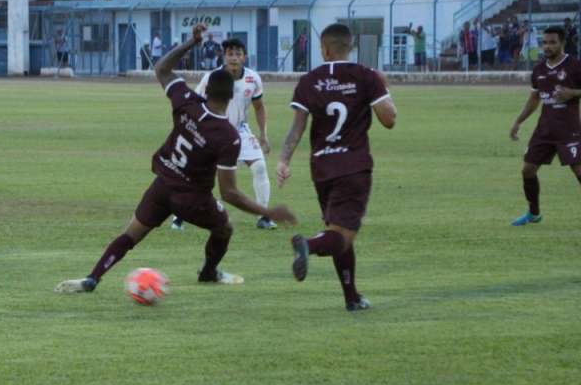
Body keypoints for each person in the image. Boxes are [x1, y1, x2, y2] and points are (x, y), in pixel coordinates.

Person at [54, 24, 296, 295]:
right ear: (230, 96)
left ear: (207, 91)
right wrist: (267, 211)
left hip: (162, 185)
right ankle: (208, 272)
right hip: (193, 198)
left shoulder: (187, 102)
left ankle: (93, 277)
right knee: (224, 228)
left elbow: (161, 68)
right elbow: (229, 193)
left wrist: (191, 43)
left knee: (130, 235)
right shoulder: (228, 136)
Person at [276, 22, 398, 311]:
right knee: (340, 236)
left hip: (321, 168)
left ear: (325, 49)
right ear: (350, 46)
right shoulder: (367, 77)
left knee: (338, 231)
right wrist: (385, 90)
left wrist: (283, 160)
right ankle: (308, 244)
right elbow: (389, 119)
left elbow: (297, 128)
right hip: (353, 166)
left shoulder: (309, 80)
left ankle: (352, 297)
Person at [172, 38, 276, 230]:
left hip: (240, 132)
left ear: (244, 57)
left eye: (238, 54)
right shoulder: (211, 77)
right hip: (211, 132)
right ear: (224, 56)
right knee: (194, 173)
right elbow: (195, 104)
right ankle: (178, 217)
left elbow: (259, 107)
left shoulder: (253, 79)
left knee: (260, 167)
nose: (234, 58)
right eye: (230, 53)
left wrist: (263, 134)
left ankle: (264, 216)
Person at [509, 26, 581, 225]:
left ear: (562, 43)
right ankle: (534, 214)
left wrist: (572, 93)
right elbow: (534, 98)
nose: (547, 47)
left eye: (552, 42)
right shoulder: (539, 69)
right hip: (545, 130)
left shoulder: (574, 66)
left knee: (579, 172)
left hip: (569, 129)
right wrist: (518, 122)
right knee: (528, 170)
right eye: (545, 43)